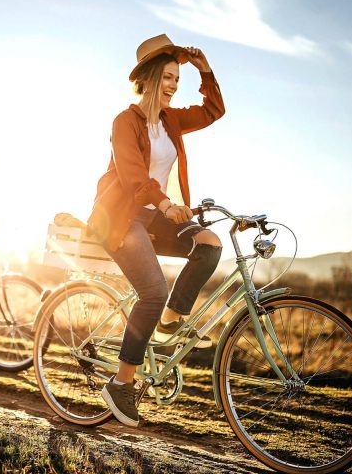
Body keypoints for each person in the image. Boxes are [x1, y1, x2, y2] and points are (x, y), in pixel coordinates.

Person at [87, 34, 226, 427]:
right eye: (167, 77)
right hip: (123, 217)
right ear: (147, 78)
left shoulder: (172, 120)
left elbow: (214, 111)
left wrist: (205, 71)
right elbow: (133, 178)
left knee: (210, 244)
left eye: (177, 79)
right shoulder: (125, 122)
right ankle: (122, 382)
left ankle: (170, 318)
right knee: (153, 290)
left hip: (157, 216)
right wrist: (165, 203)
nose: (173, 85)